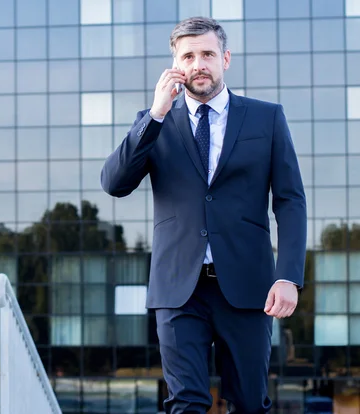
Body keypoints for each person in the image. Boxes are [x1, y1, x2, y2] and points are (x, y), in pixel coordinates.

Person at [100, 17, 306, 414]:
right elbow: (114, 182)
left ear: (225, 58)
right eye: (188, 55)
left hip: (249, 288)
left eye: (208, 54)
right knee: (186, 402)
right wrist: (156, 114)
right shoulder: (154, 122)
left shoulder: (267, 118)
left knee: (248, 403)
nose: (199, 63)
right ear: (175, 63)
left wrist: (288, 276)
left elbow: (291, 200)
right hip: (178, 288)